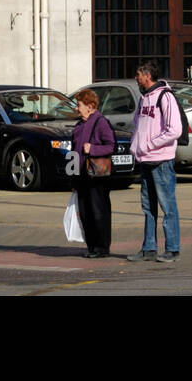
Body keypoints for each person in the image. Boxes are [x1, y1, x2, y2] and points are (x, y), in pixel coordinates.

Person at [127, 60, 182, 265]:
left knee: (168, 206)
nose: (136, 78)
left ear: (147, 75)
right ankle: (149, 248)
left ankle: (172, 249)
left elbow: (175, 130)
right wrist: (136, 146)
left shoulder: (165, 97)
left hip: (161, 162)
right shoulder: (143, 99)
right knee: (148, 208)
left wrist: (149, 145)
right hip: (146, 161)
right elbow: (137, 125)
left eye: (138, 75)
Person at [70, 88, 116, 258]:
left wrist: (93, 149)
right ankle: (91, 247)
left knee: (99, 212)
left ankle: (102, 248)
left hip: (97, 177)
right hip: (81, 176)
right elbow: (74, 151)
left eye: (79, 105)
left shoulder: (101, 122)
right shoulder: (79, 125)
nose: (76, 108)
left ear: (90, 106)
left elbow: (111, 146)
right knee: (85, 213)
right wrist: (72, 177)